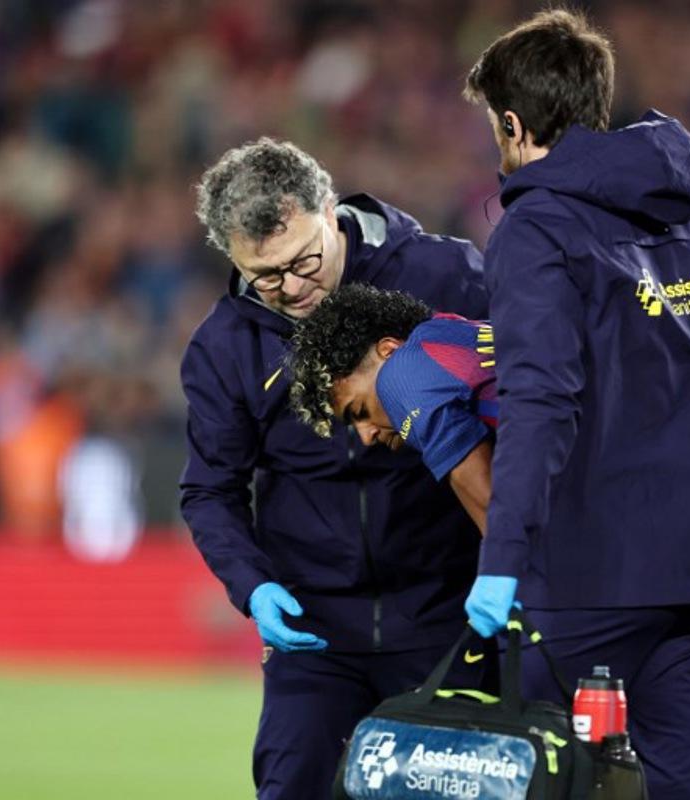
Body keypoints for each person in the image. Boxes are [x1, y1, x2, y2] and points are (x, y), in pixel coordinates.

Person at [287, 284, 690, 800]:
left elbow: (488, 500)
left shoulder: (407, 368)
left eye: (356, 410)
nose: (365, 435)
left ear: (386, 350)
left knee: (623, 765)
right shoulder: (474, 339)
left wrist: (513, 581)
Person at [460, 10, 690, 800]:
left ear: (513, 124)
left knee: (532, 781)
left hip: (591, 576)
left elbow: (541, 401)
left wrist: (502, 561)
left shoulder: (536, 228)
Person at [181, 138, 489, 799]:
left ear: (330, 209)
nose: (291, 288)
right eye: (265, 276)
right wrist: (253, 587)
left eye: (302, 261)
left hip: (447, 616)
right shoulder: (225, 346)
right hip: (315, 633)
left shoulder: (446, 277)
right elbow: (209, 489)